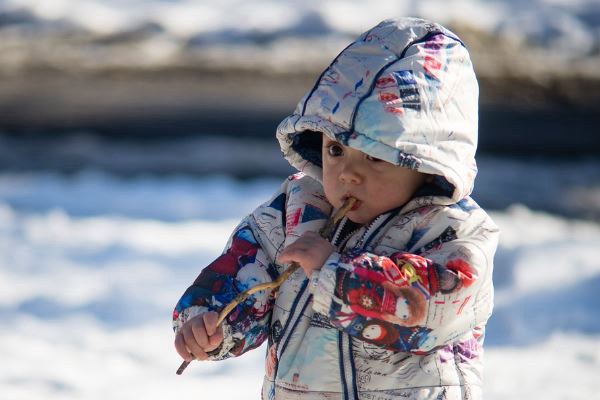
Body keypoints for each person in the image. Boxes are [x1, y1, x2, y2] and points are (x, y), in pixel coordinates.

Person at [172, 17, 499, 400]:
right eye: (335, 150)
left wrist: (336, 273)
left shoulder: (452, 230)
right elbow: (245, 268)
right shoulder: (296, 210)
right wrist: (211, 321)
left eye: (375, 158)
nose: (348, 175)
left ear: (424, 161)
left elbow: (431, 308)